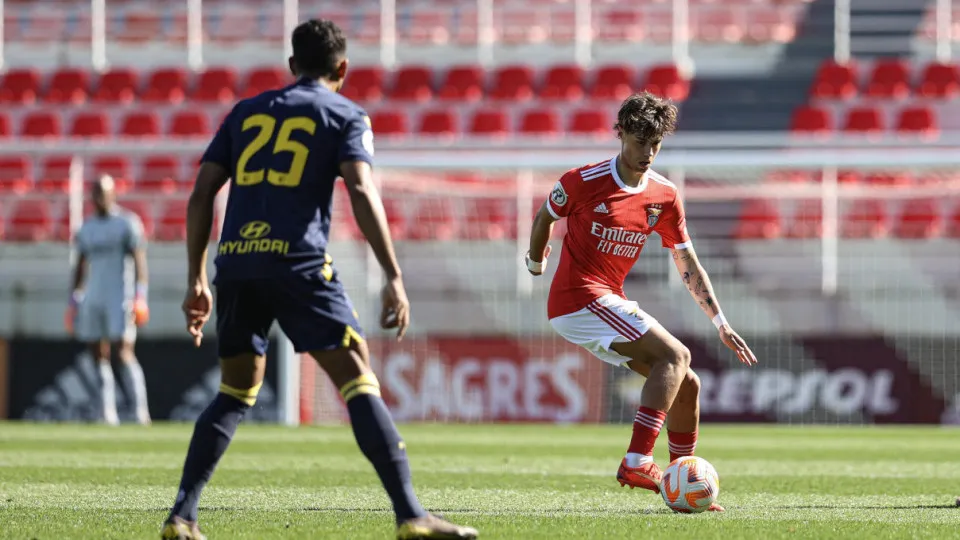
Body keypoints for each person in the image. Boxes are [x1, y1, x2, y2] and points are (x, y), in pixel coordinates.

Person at [160, 19, 478, 540]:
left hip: (236, 262)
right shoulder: (346, 114)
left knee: (236, 390)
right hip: (297, 261)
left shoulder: (244, 112)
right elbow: (359, 188)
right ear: (343, 69)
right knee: (357, 374)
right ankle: (411, 515)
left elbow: (200, 196)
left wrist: (196, 278)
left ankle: (182, 516)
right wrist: (393, 275)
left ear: (291, 66)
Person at [525, 92, 758, 512]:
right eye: (639, 142)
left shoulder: (664, 196)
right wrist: (535, 260)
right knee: (676, 354)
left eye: (656, 144)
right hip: (577, 298)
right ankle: (637, 461)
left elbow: (686, 260)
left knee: (687, 383)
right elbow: (545, 217)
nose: (647, 152)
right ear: (620, 136)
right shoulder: (584, 180)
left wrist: (720, 321)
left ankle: (680, 479)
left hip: (607, 299)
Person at [66, 174, 151, 425]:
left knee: (124, 351)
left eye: (103, 193)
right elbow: (80, 266)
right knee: (96, 353)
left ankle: (140, 411)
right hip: (94, 297)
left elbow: (139, 261)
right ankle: (107, 412)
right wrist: (74, 300)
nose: (99, 198)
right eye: (95, 193)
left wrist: (141, 296)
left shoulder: (127, 223)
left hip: (120, 296)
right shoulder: (86, 228)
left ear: (113, 194)